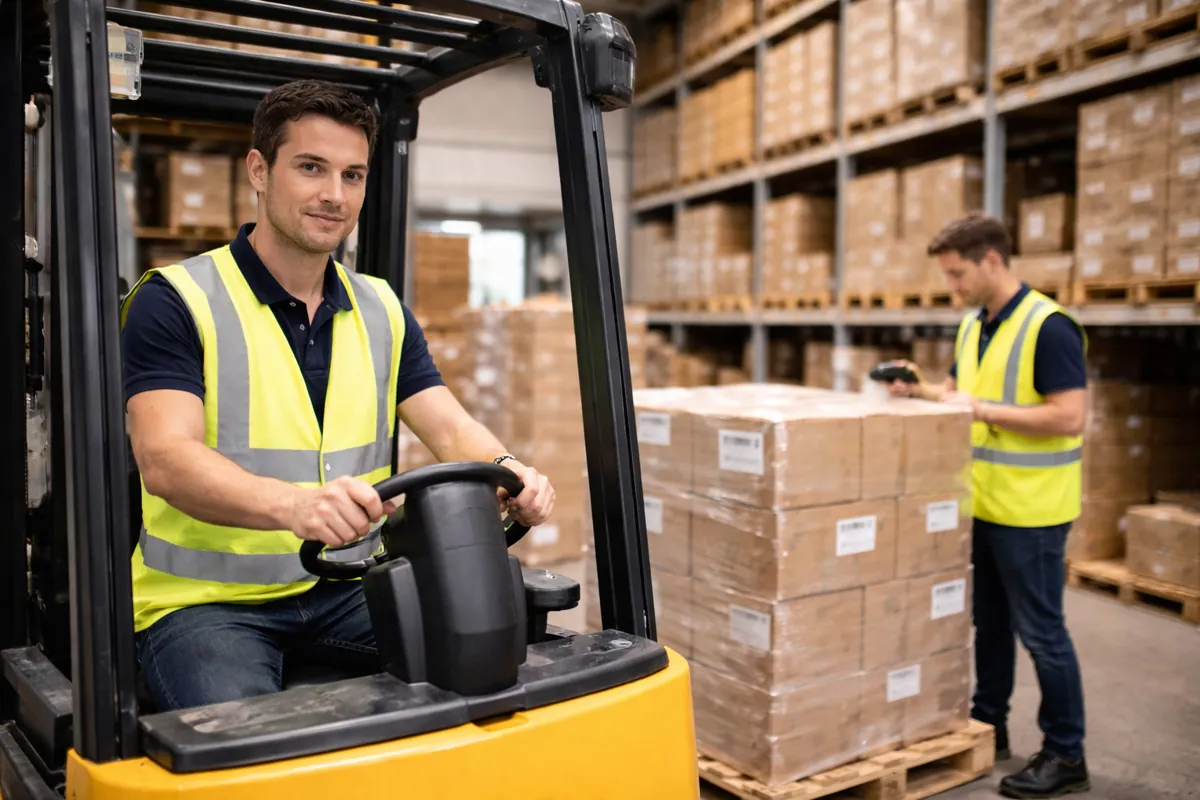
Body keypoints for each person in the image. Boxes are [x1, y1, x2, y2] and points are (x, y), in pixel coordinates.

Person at [121, 79, 556, 712]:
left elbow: (449, 426)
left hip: (347, 584)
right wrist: (297, 507)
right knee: (250, 747)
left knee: (492, 672)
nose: (334, 194)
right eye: (311, 168)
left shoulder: (381, 306)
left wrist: (509, 470)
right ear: (259, 170)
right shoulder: (176, 299)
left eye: (352, 175)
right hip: (207, 604)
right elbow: (165, 459)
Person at [885, 212, 1089, 799]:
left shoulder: (1049, 327)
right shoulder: (974, 326)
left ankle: (1066, 754)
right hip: (983, 505)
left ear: (991, 260)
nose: (951, 286)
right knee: (989, 625)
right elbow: (961, 395)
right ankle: (988, 725)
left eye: (957, 274)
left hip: (1033, 513)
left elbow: (1069, 416)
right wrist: (919, 389)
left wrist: (981, 411)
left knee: (1042, 633)